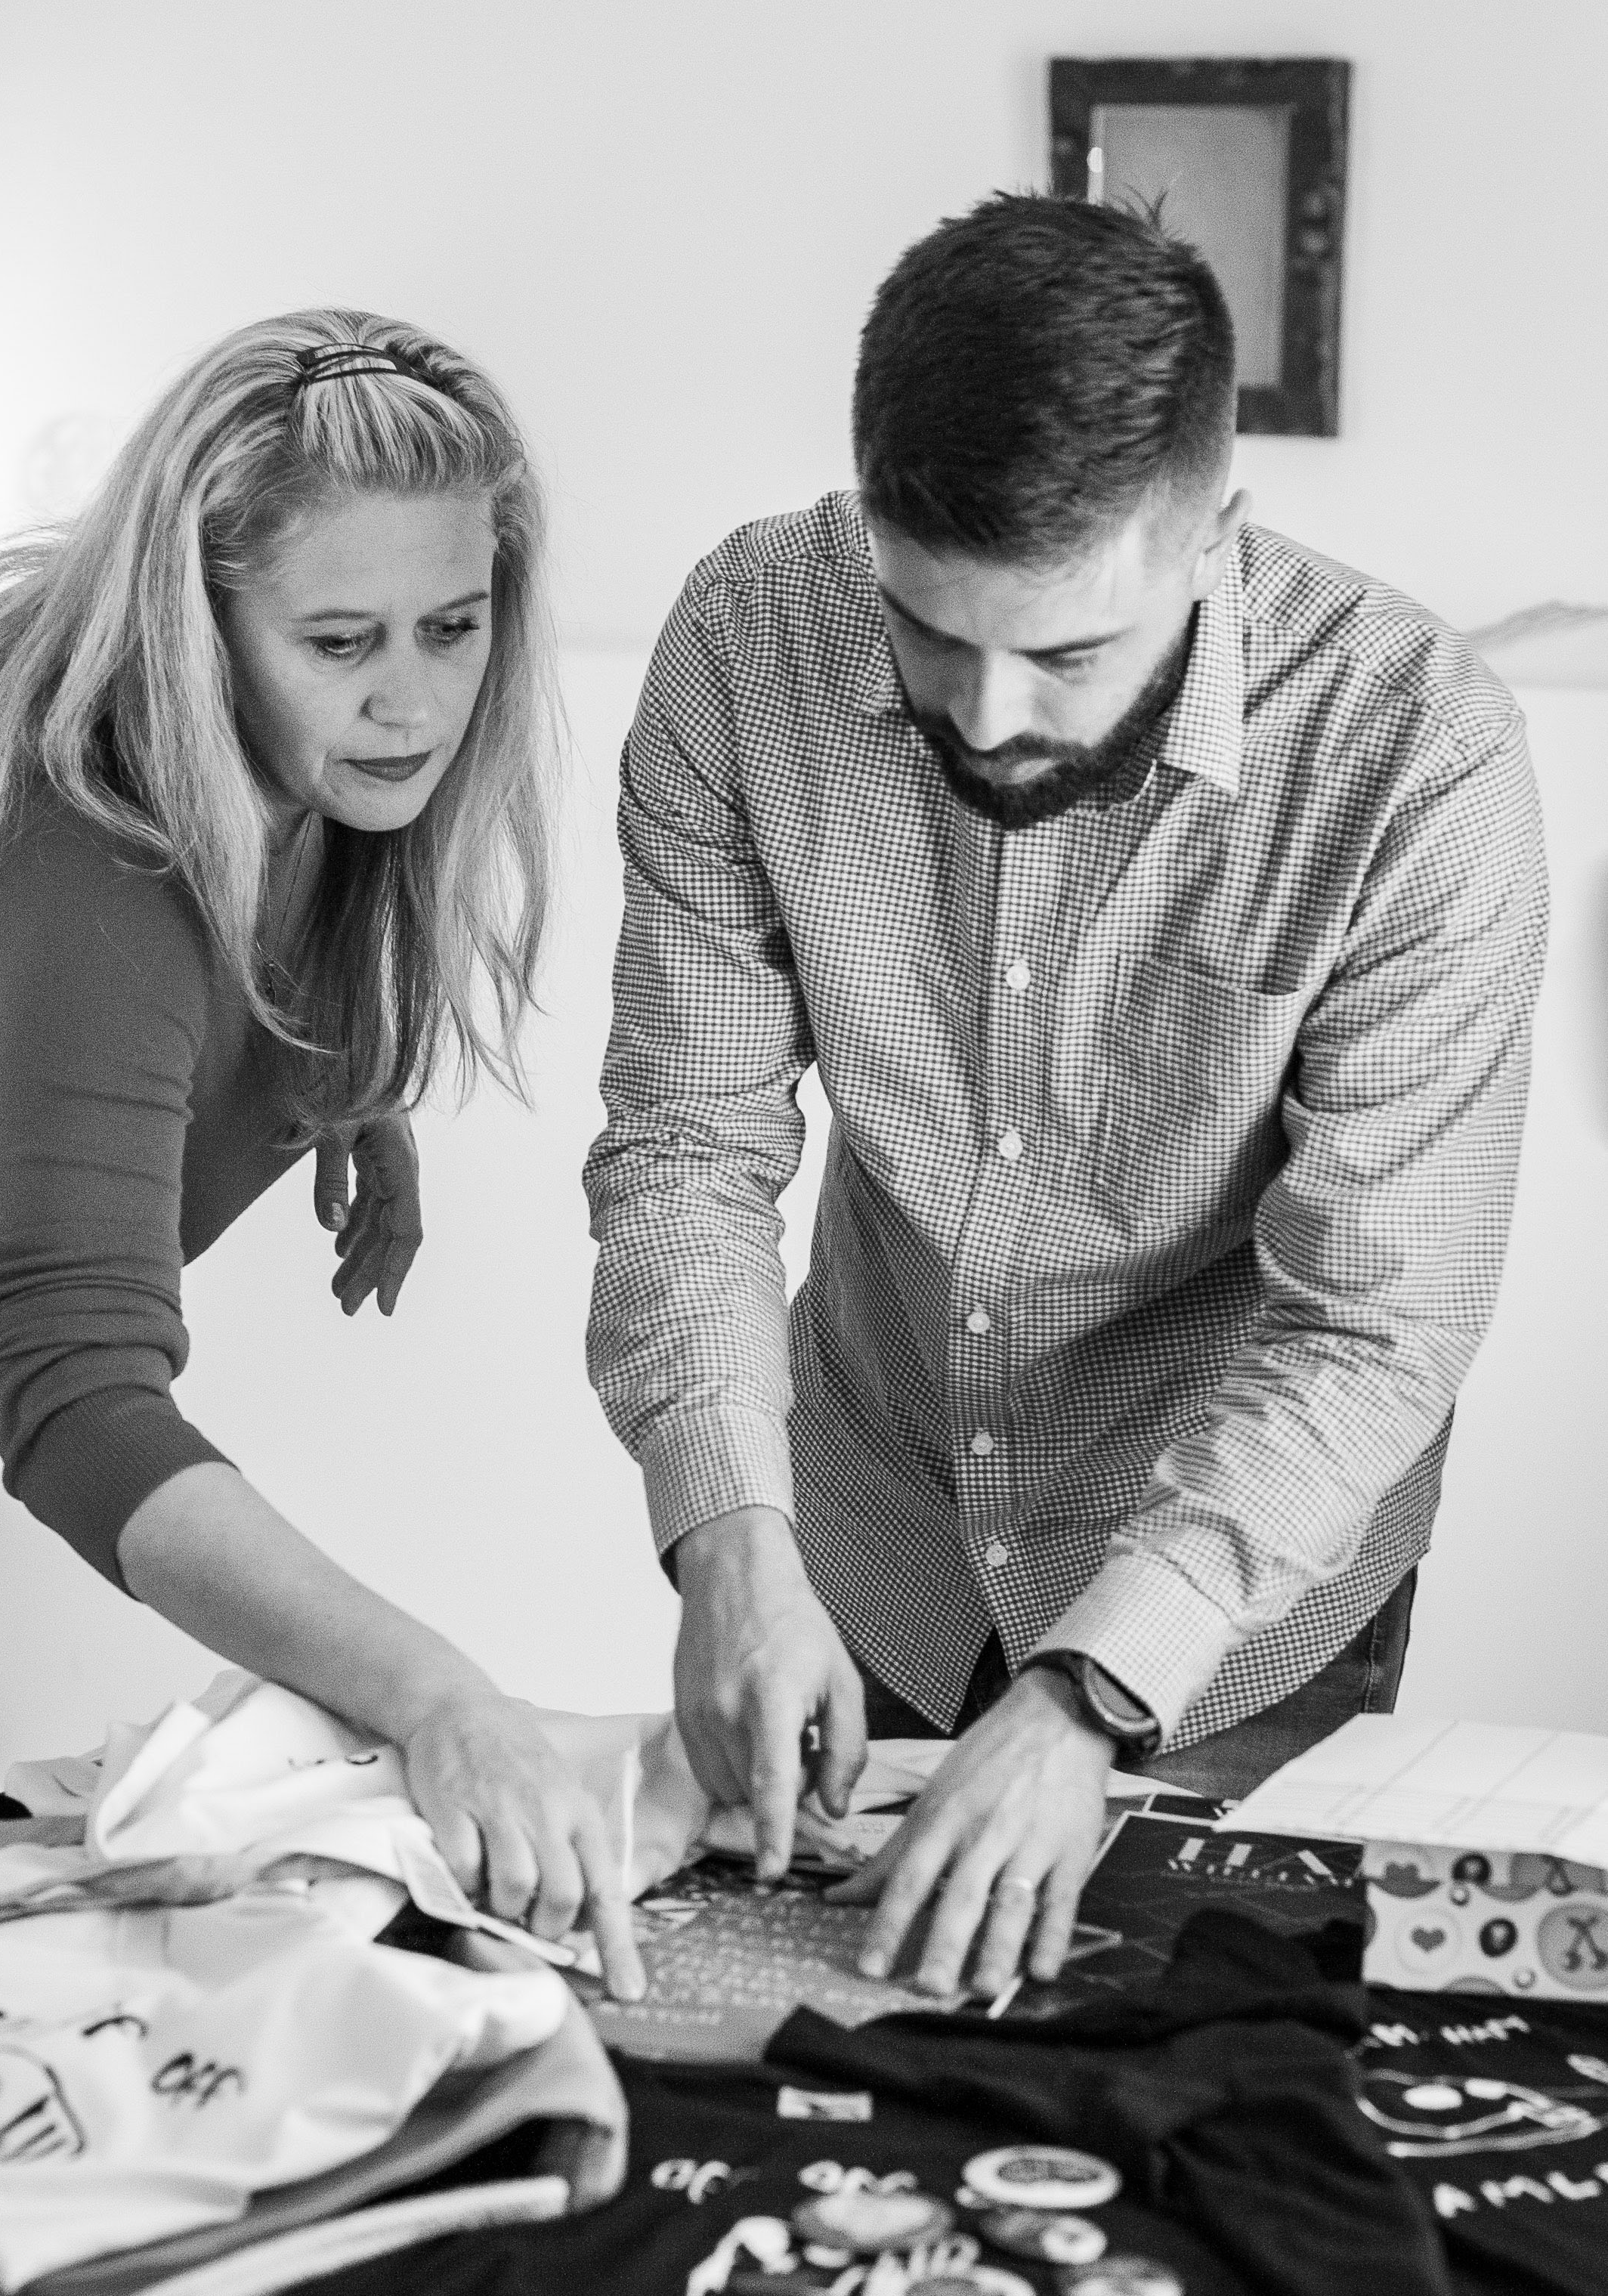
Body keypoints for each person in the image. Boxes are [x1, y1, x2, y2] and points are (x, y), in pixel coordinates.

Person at [0, 305, 646, 2296]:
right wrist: (438, 1695)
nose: (410, 697)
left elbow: (260, 946)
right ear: (196, 618)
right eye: (340, 642)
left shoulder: (280, 763)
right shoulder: (82, 849)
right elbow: (74, 1395)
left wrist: (347, 1101)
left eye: (453, 626)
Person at [584, 191, 1547, 2009]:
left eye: (1066, 656)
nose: (984, 714)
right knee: (835, 2074)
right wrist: (728, 1538)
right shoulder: (746, 640)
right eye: (928, 634)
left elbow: (1377, 1323)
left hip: (1232, 1616)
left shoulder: (1422, 756)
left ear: (1212, 542)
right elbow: (689, 1148)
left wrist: (1094, 1694)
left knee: (1202, 2092)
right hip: (869, 1539)